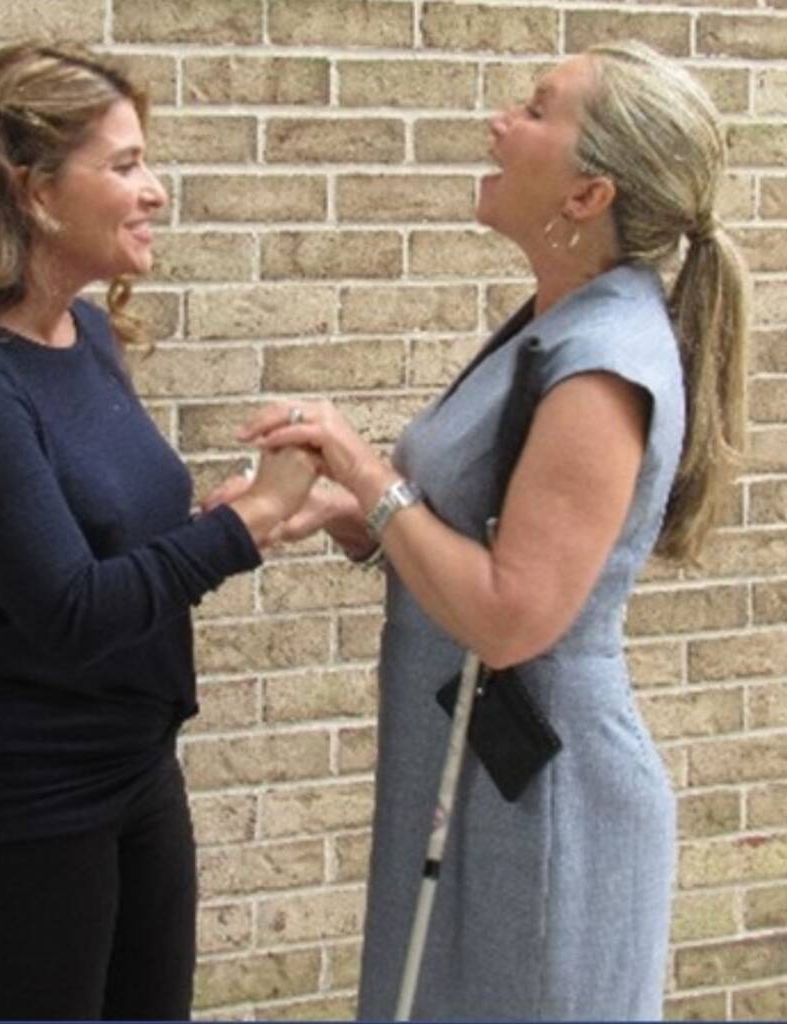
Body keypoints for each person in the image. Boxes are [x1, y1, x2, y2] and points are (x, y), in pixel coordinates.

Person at [210, 41, 749, 1021]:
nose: (501, 121)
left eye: (538, 111)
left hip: (544, 804)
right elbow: (479, 525)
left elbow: (511, 616)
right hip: (475, 783)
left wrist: (364, 469)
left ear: (588, 194)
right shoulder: (555, 322)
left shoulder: (602, 364)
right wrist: (351, 515)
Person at [0, 42, 317, 1022]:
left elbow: (101, 548)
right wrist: (251, 522)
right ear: (34, 190)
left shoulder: (85, 335)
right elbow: (68, 608)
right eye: (126, 164)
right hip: (12, 796)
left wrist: (238, 521)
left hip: (131, 763)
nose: (157, 191)